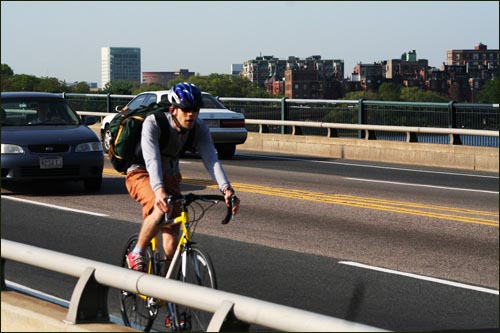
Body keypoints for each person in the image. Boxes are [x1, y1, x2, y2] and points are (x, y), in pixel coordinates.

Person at [125, 82, 240, 271]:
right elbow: (152, 160)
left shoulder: (198, 128)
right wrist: (159, 190)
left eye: (195, 110)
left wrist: (226, 189)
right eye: (186, 109)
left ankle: (165, 285)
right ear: (173, 110)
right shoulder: (154, 123)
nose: (191, 114)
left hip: (170, 175)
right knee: (160, 207)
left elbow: (211, 159)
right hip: (141, 173)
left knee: (171, 239)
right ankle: (137, 252)